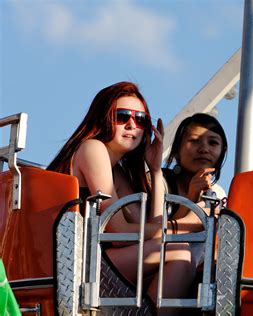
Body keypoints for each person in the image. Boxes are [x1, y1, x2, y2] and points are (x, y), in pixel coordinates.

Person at [48, 81, 201, 312]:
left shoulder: (116, 169)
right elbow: (120, 234)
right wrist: (189, 225)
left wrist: (156, 170)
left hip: (95, 262)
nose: (132, 124)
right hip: (77, 264)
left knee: (177, 250)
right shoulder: (93, 148)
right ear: (104, 117)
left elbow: (148, 228)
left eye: (141, 120)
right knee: (178, 251)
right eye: (122, 116)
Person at [163, 113, 228, 267]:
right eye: (194, 141)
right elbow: (158, 236)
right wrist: (191, 199)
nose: (204, 149)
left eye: (212, 143)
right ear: (177, 149)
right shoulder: (161, 183)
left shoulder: (218, 193)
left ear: (222, 152)